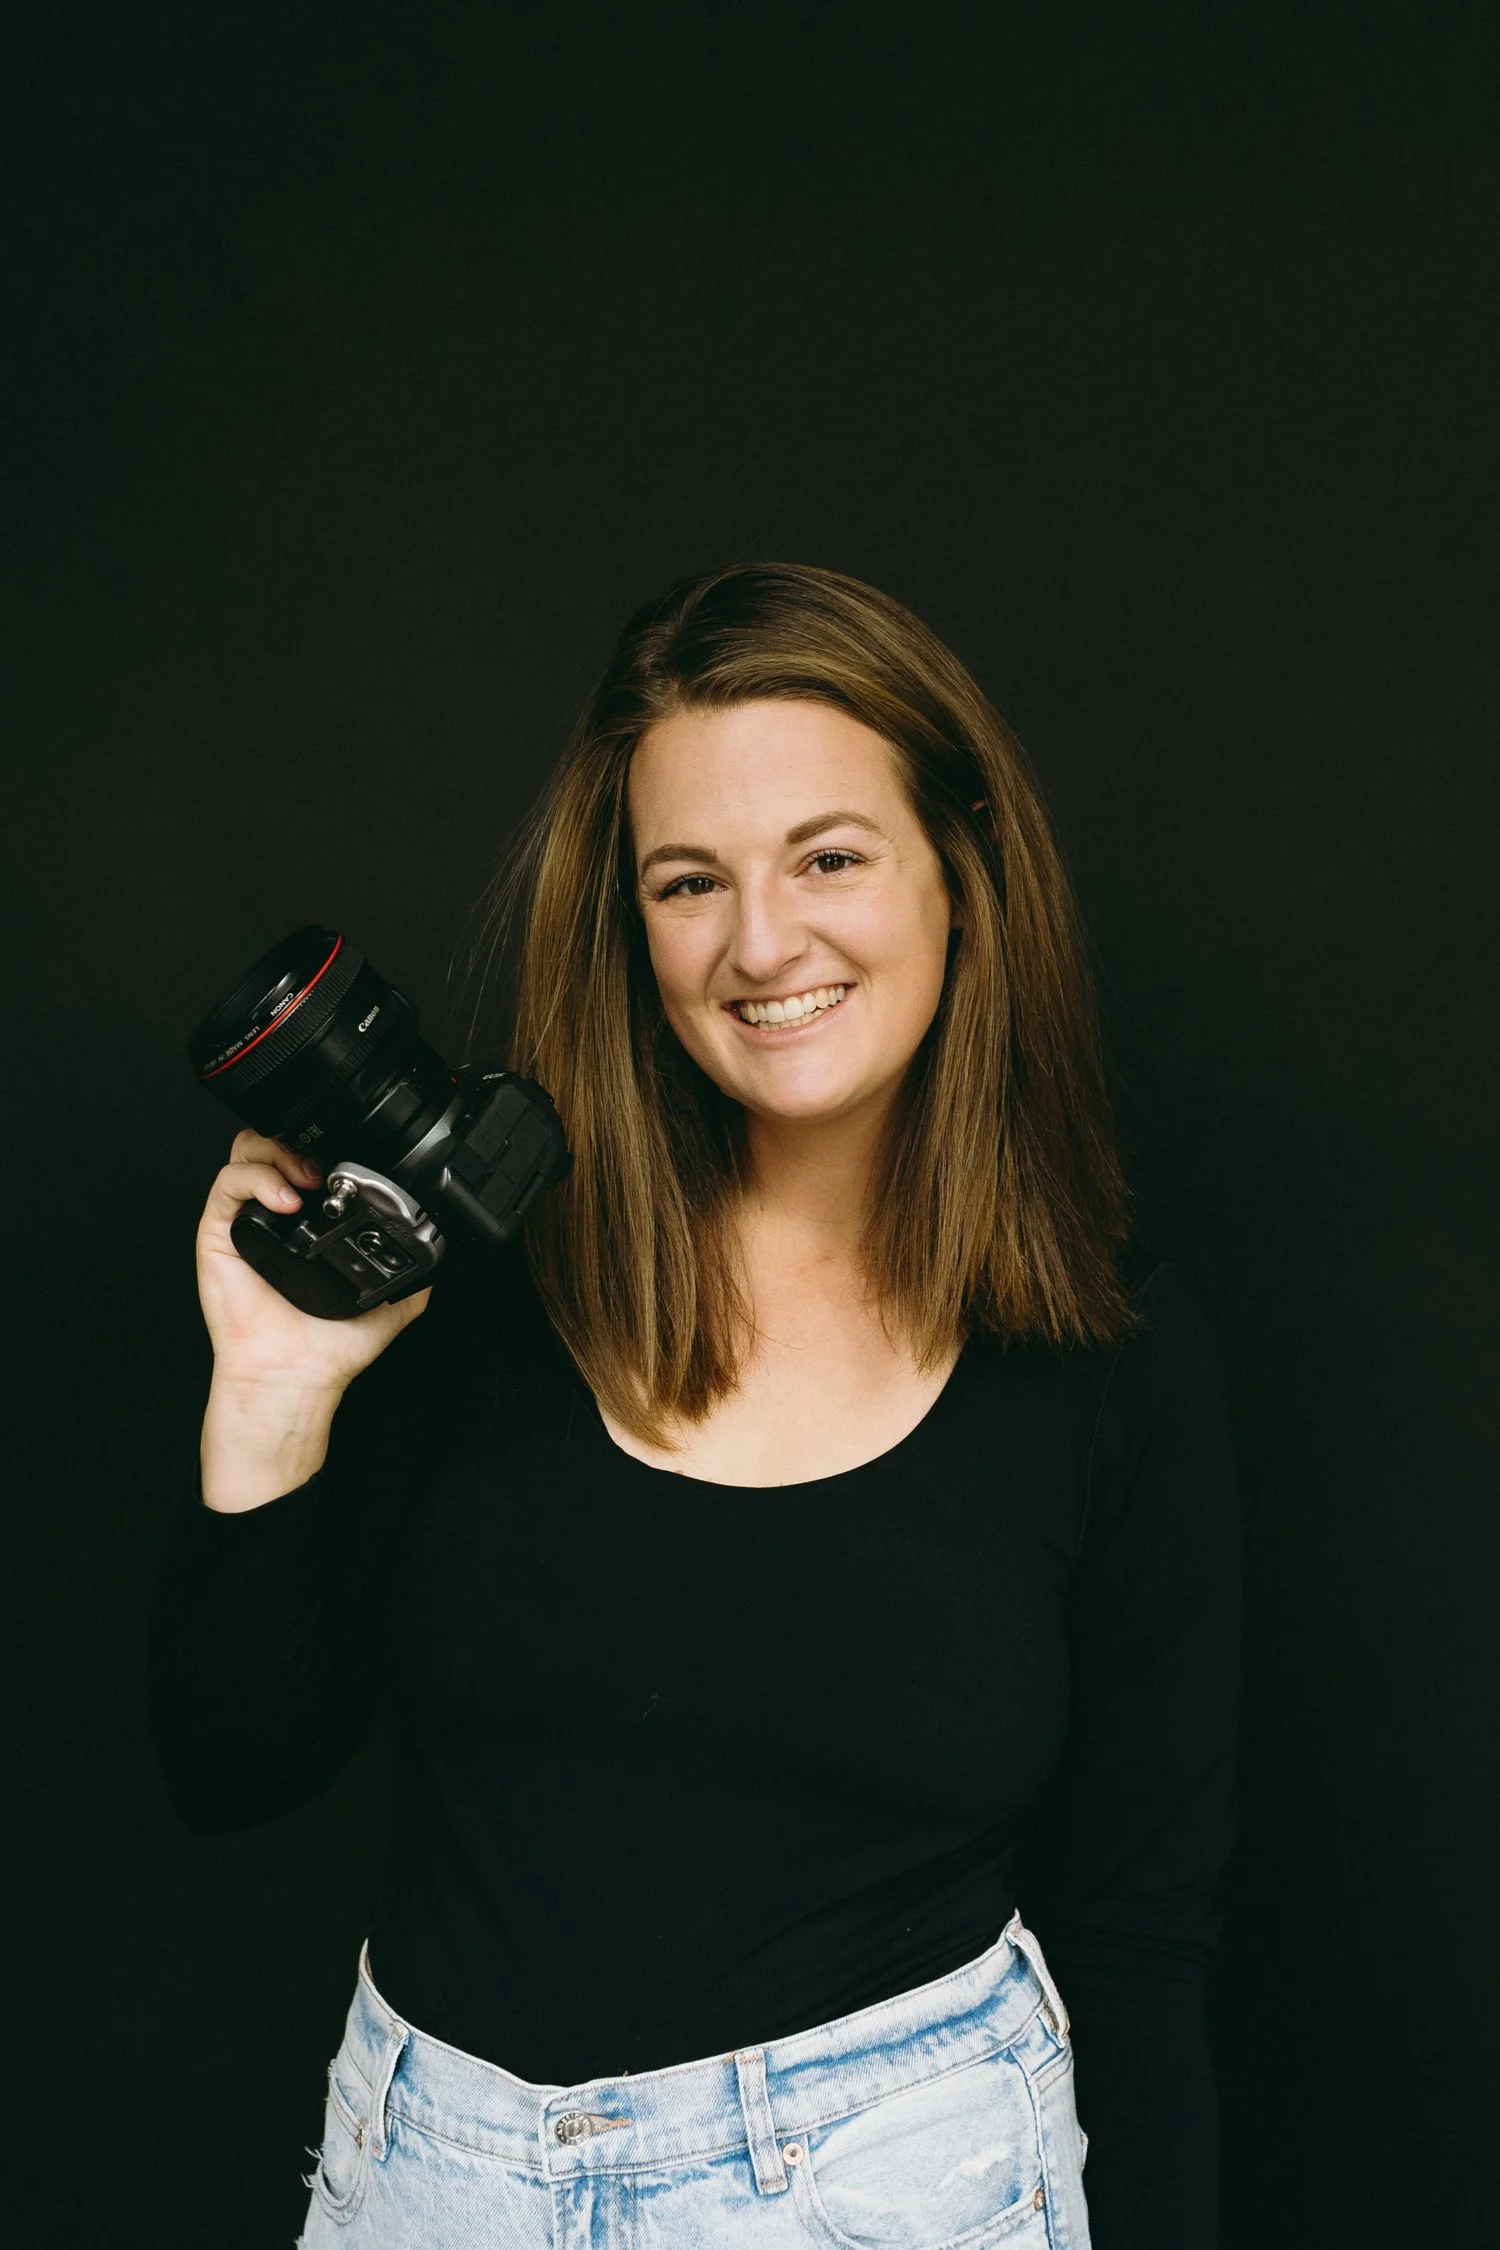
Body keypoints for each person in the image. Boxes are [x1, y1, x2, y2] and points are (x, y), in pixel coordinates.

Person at [149, 561, 1242, 2250]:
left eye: (828, 857)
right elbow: (232, 1765)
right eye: (688, 881)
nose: (760, 943)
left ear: (960, 867)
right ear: (629, 920)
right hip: (430, 2190)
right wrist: (274, 1401)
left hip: (898, 2192)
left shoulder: (1105, 1343)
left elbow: (1142, 1932)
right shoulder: (493, 1278)